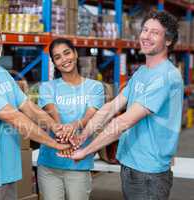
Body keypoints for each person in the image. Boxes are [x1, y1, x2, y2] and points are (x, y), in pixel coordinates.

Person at [60, 11, 183, 200]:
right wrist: (83, 136)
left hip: (149, 172)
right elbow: (111, 107)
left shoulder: (166, 76)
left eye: (155, 33)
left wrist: (86, 151)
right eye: (145, 30)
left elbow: (124, 122)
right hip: (130, 164)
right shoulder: (143, 72)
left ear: (168, 40)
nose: (146, 36)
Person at [0, 18, 70, 200]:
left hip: (6, 172)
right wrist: (54, 143)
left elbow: (28, 107)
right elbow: (15, 118)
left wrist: (56, 127)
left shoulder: (2, 73)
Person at [37, 38, 105, 200]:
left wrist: (75, 125)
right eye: (58, 57)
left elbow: (90, 115)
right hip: (49, 164)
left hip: (79, 162)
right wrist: (63, 130)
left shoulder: (94, 87)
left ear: (75, 53)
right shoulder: (47, 87)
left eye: (67, 53)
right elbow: (52, 113)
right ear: (54, 62)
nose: (64, 59)